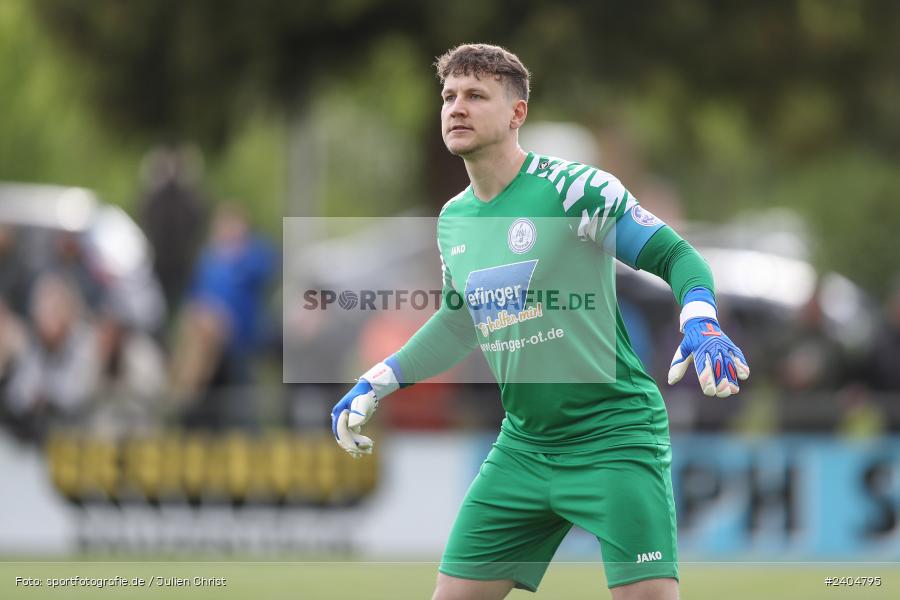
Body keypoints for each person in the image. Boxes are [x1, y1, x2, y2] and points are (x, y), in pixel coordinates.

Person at [330, 44, 750, 600]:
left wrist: (700, 319)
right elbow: (460, 324)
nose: (457, 107)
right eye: (449, 96)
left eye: (476, 95)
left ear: (516, 113)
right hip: (523, 448)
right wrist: (379, 378)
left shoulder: (575, 190)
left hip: (614, 439)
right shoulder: (454, 220)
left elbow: (680, 259)